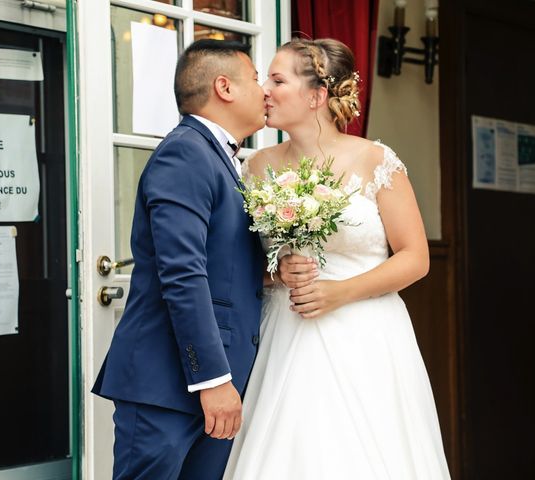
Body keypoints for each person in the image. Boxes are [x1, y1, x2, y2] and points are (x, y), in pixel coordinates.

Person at [223, 38, 451, 479]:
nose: (265, 90)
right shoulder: (257, 166)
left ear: (316, 96)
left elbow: (416, 257)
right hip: (285, 332)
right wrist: (276, 273)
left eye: (277, 79)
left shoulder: (375, 160)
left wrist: (341, 292)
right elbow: (241, 261)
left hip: (366, 335)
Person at [92, 39, 267, 480]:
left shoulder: (220, 159)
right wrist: (212, 379)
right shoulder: (185, 152)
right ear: (224, 87)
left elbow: (224, 268)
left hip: (208, 383)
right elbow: (184, 273)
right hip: (169, 383)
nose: (264, 90)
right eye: (256, 79)